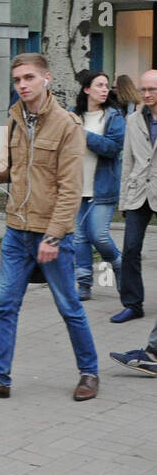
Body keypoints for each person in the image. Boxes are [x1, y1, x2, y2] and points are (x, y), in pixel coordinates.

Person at [0, 53, 99, 403]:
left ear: (46, 79)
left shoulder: (68, 126)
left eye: (28, 78)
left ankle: (89, 372)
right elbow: (13, 171)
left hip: (50, 234)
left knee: (69, 306)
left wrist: (54, 235)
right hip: (16, 230)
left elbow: (71, 189)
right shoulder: (14, 119)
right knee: (6, 306)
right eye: (17, 80)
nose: (22, 85)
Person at [71, 71, 125, 302]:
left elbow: (113, 148)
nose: (105, 89)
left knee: (99, 236)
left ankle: (120, 265)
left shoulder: (114, 116)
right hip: (75, 187)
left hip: (103, 187)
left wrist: (83, 135)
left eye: (106, 86)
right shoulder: (74, 116)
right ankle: (84, 284)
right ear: (86, 89)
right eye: (99, 85)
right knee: (79, 238)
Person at [110, 69, 157, 325]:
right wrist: (124, 200)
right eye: (143, 90)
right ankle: (132, 304)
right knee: (129, 250)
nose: (147, 94)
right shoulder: (133, 120)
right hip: (138, 192)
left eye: (152, 90)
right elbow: (127, 162)